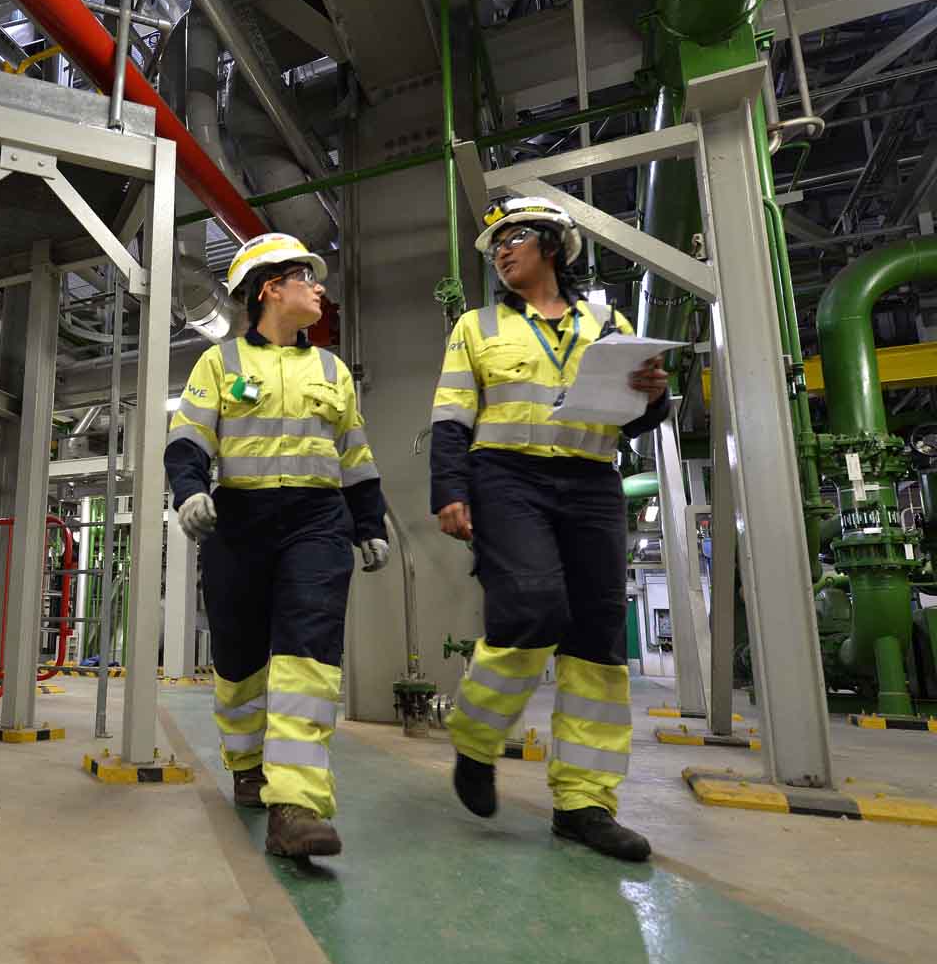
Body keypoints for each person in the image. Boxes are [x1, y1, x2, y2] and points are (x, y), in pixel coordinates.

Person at [430, 197, 670, 863]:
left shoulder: (607, 322)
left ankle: (585, 804)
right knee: (532, 606)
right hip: (506, 479)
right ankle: (476, 740)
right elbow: (452, 416)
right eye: (497, 244)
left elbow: (637, 415)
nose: (503, 250)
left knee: (597, 639)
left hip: (592, 481)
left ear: (555, 248)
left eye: (516, 238)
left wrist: (653, 396)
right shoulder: (476, 327)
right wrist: (449, 490)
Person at [165, 232, 390, 859]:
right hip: (240, 521)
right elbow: (189, 438)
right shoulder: (222, 363)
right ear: (270, 288)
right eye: (305, 277)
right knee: (240, 661)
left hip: (318, 521)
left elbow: (356, 456)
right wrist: (188, 490)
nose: (319, 288)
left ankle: (295, 802)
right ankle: (246, 762)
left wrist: (368, 523)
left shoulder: (332, 370)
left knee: (307, 654)